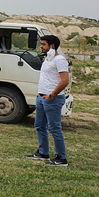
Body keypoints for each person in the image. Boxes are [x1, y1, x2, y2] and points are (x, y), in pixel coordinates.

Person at [26, 35, 69, 166]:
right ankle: (43, 152)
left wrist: (52, 94)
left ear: (52, 46)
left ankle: (61, 158)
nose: (41, 46)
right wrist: (41, 92)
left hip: (52, 99)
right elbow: (47, 77)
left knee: (54, 128)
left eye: (43, 44)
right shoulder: (47, 59)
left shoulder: (59, 60)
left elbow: (65, 81)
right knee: (39, 125)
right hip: (42, 97)